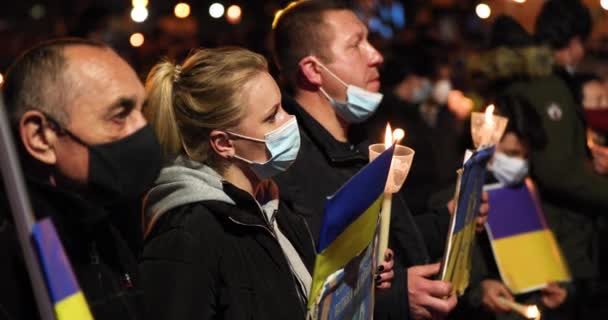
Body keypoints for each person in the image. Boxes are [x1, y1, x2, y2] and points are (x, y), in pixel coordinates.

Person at [139, 47, 395, 320]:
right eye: (271, 116)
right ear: (224, 143)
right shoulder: (186, 235)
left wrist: (356, 284)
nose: (289, 120)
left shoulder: (270, 204)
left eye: (282, 107)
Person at [271, 1, 484, 318]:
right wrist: (395, 300)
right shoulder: (289, 165)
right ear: (313, 70)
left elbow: (382, 242)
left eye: (369, 40)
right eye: (356, 44)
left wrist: (447, 218)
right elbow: (305, 290)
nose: (376, 56)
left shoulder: (357, 140)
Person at [0, 38, 162, 320]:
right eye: (120, 115)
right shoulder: (17, 250)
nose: (142, 129)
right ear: (40, 137)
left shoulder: (101, 218)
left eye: (141, 110)